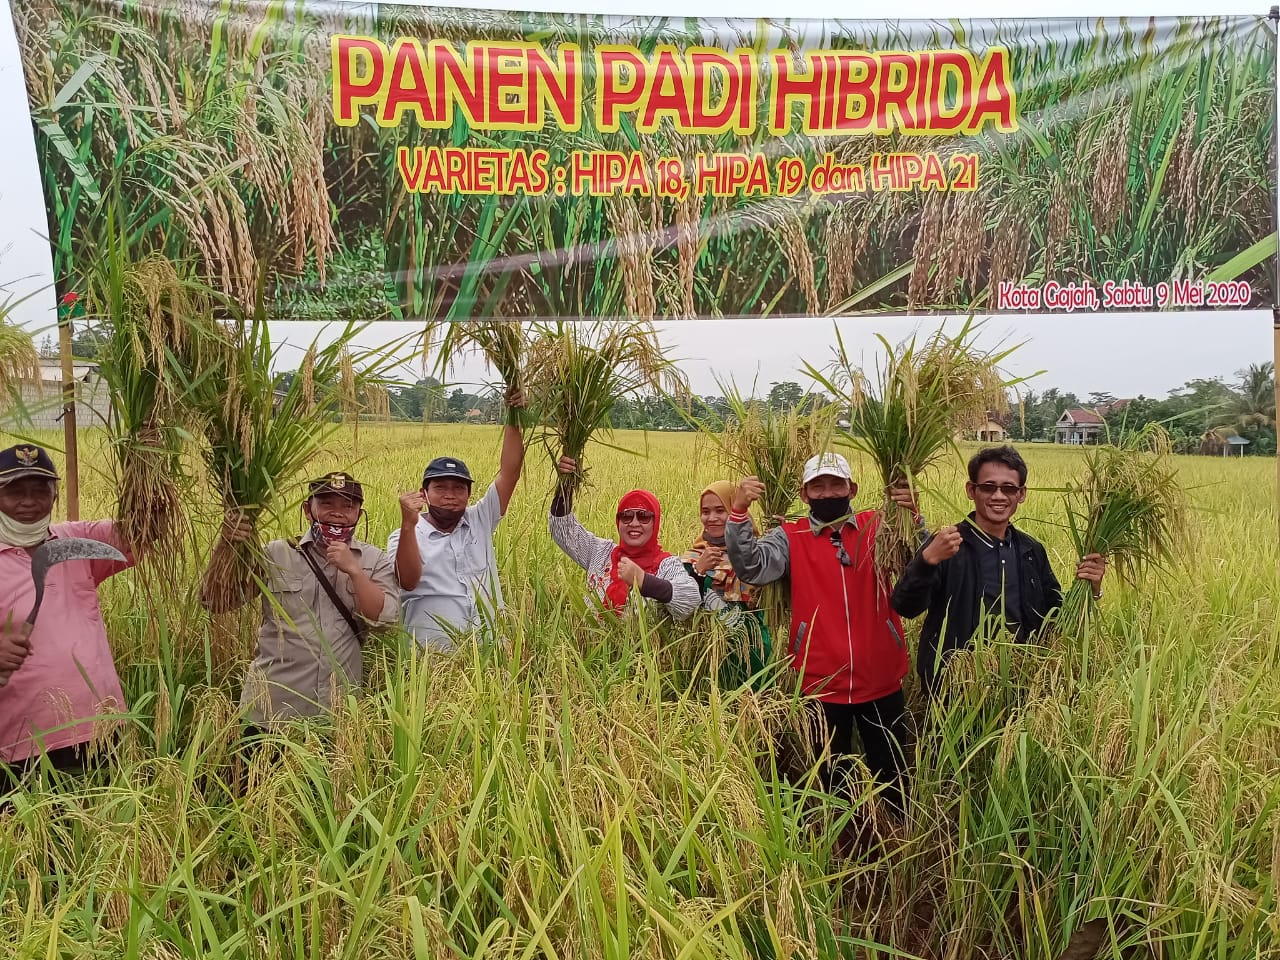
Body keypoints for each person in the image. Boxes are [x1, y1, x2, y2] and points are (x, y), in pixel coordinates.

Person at [725, 452, 920, 813]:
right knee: (832, 776)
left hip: (881, 675)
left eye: (836, 485)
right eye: (818, 486)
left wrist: (912, 518)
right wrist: (738, 513)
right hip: (820, 680)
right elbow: (752, 567)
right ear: (804, 494)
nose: (828, 493)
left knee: (891, 771)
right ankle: (841, 836)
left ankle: (896, 833)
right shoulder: (790, 536)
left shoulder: (878, 526)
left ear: (852, 489)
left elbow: (920, 562)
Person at [890, 445, 1106, 698]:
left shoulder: (1031, 550)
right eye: (988, 487)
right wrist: (927, 560)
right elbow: (906, 606)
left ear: (1021, 494)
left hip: (1019, 684)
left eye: (1009, 488)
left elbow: (1054, 615)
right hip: (956, 686)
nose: (999, 496)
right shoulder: (948, 545)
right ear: (971, 490)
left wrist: (1091, 590)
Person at [201, 472, 399, 732]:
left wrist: (355, 571)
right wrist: (226, 545)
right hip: (270, 711)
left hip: (336, 715)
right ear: (307, 509)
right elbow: (215, 602)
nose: (337, 513)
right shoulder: (275, 554)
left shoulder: (374, 560)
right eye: (326, 503)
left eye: (348, 506)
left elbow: (385, 621)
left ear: (359, 514)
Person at [0, 444, 133, 781]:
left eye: (39, 491)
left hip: (102, 729)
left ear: (55, 496)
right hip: (24, 746)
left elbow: (142, 529)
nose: (28, 502)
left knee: (108, 813)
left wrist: (144, 463)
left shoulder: (75, 540)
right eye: (15, 492)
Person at [389, 387, 526, 650]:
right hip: (430, 659)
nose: (450, 495)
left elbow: (510, 472)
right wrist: (407, 524)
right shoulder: (405, 535)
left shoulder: (480, 519)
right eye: (440, 488)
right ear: (424, 494)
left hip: (489, 655)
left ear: (469, 494)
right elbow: (407, 581)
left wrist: (514, 416)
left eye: (459, 488)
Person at [550, 456, 699, 620]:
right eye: (626, 516)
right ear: (618, 521)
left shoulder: (666, 565)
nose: (634, 523)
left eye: (643, 516)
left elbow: (689, 600)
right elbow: (564, 532)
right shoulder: (601, 552)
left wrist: (643, 580)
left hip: (641, 638)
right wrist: (565, 485)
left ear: (655, 523)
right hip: (590, 637)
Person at [681, 481, 771, 686]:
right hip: (707, 656)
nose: (711, 518)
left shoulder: (757, 554)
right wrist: (698, 571)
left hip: (753, 653)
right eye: (705, 512)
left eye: (720, 510)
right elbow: (681, 604)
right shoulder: (694, 557)